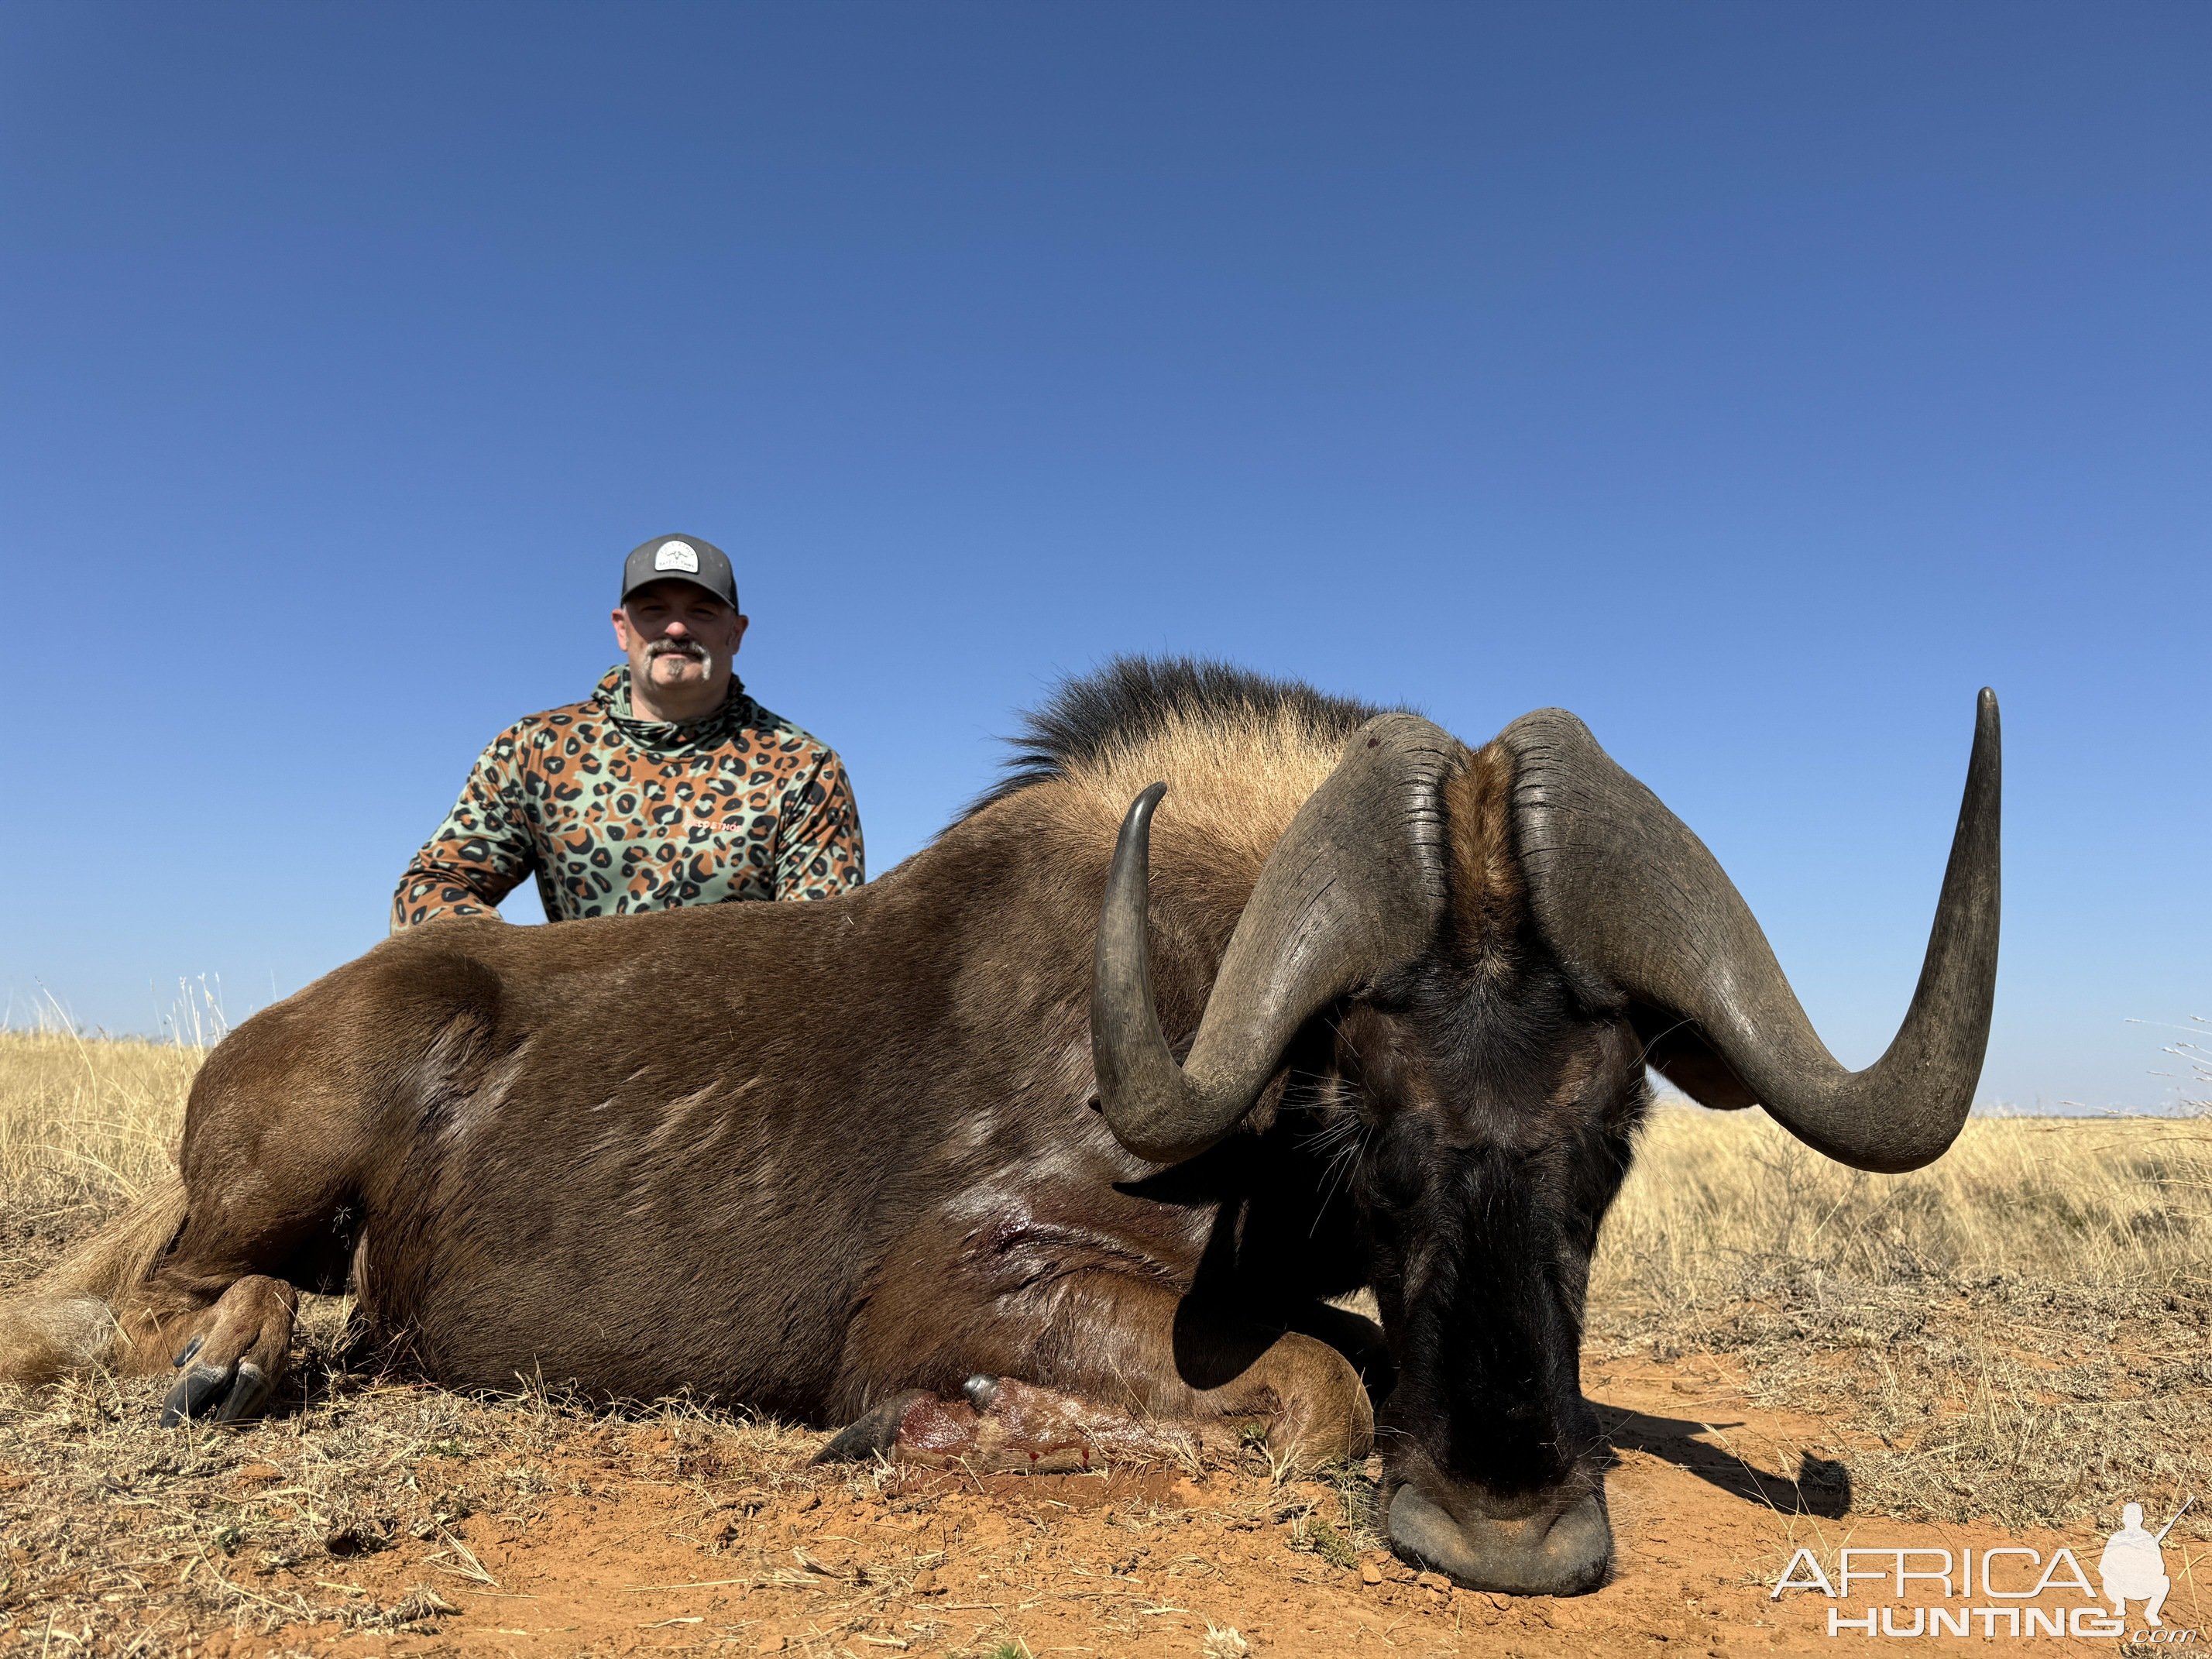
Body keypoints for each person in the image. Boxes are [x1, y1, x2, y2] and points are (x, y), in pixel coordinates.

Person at [392, 534, 863, 929]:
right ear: (622, 629)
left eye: (702, 612)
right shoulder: (532, 750)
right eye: (653, 609)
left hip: (739, 1034)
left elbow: (823, 950)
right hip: (571, 1029)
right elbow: (428, 889)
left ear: (736, 633)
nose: (677, 627)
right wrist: (529, 971)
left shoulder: (804, 769)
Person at [2097, 1503, 2171, 1626]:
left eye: (2135, 1517)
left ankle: (2152, 1612)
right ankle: (2120, 1604)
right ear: (2124, 1519)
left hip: (2141, 1585)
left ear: (2141, 1519)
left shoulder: (2148, 1539)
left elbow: (2160, 1568)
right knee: (2109, 1578)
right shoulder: (2116, 1538)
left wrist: (2145, 1562)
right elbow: (2104, 1566)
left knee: (2164, 1581)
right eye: (2129, 1517)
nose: (2132, 1521)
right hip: (2119, 1585)